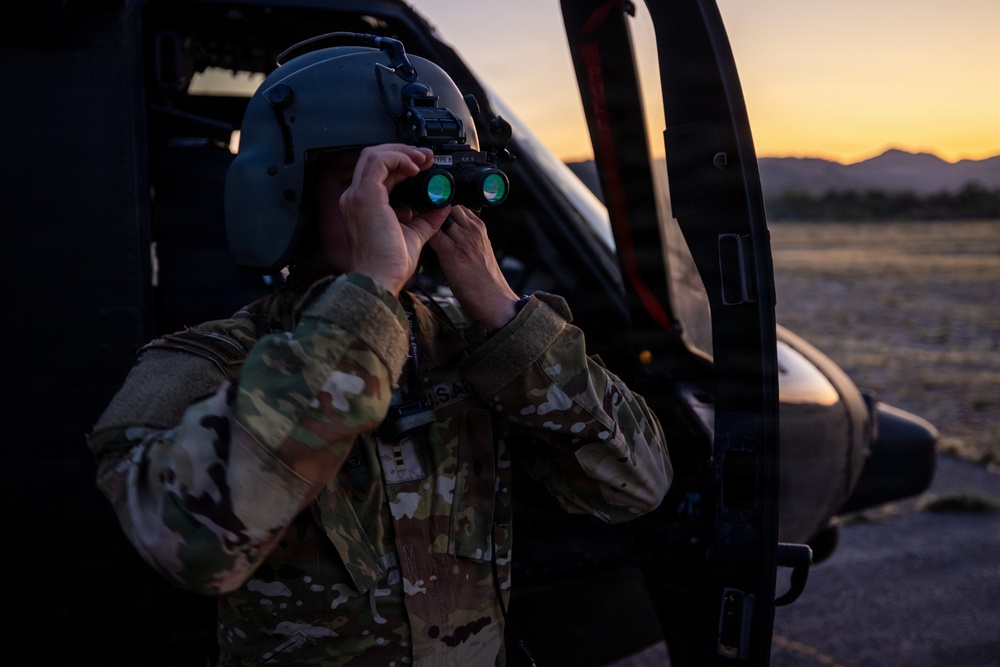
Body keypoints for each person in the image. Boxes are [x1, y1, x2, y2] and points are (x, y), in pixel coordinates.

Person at [87, 34, 672, 666]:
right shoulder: (206, 364)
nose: (399, 211)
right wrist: (369, 293)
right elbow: (190, 546)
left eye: (420, 182)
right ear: (287, 193)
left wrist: (504, 313)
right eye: (370, 181)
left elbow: (636, 485)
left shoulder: (478, 347)